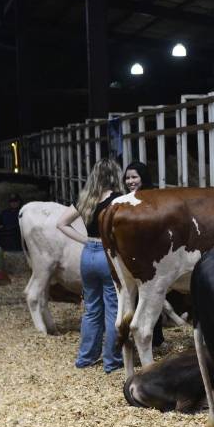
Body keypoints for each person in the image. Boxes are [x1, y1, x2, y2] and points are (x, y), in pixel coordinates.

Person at [57, 159, 124, 373]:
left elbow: (61, 223)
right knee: (113, 308)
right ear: (115, 175)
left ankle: (85, 358)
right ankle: (111, 362)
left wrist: (85, 240)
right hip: (108, 255)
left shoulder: (87, 199)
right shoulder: (119, 200)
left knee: (91, 310)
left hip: (88, 255)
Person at [121, 161, 166, 348]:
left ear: (143, 178)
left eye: (134, 177)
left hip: (152, 256)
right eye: (128, 177)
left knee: (150, 298)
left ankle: (154, 338)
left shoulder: (154, 198)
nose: (130, 181)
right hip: (131, 255)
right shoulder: (124, 200)